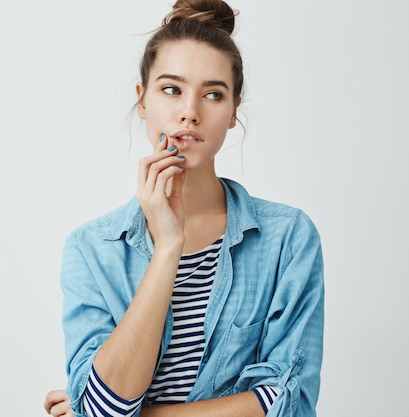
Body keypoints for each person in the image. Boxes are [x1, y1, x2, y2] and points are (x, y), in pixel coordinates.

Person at [45, 1, 324, 416]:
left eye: (213, 94)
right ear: (142, 100)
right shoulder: (90, 250)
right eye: (171, 89)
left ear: (233, 112)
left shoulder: (287, 238)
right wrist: (167, 247)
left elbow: (287, 402)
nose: (190, 113)